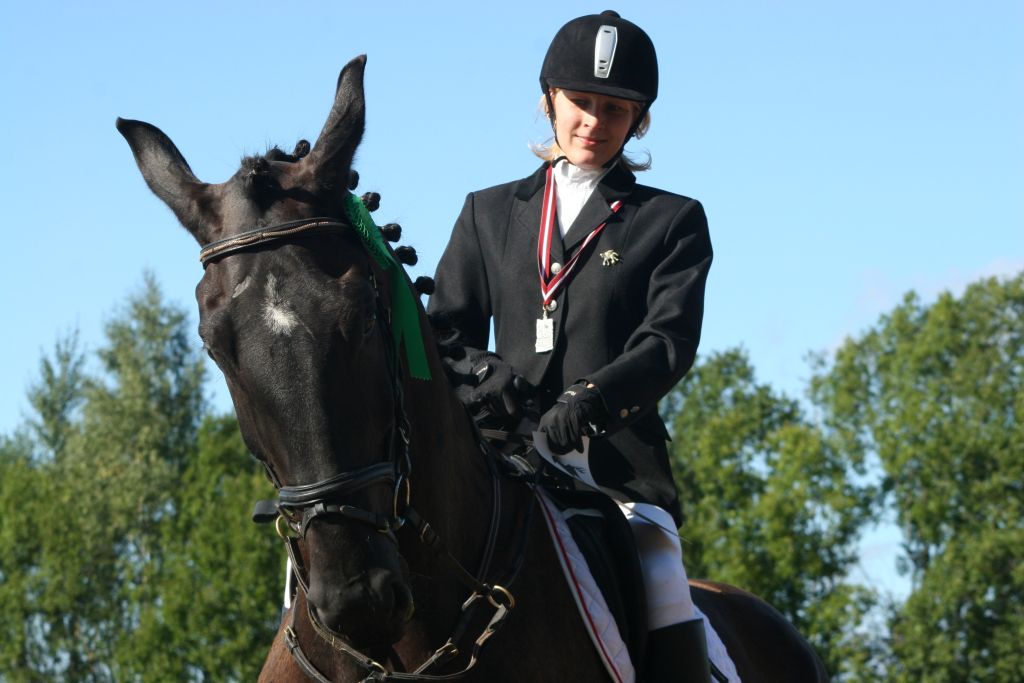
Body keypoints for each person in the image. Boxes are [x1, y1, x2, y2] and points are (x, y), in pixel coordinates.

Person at [428, 10, 713, 682]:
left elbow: (667, 340)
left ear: (638, 121)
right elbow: (445, 330)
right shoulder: (487, 212)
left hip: (612, 469)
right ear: (549, 100)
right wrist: (485, 374)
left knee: (660, 569)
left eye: (615, 109)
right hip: (500, 460)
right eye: (580, 101)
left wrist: (591, 400)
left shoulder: (671, 221)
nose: (593, 120)